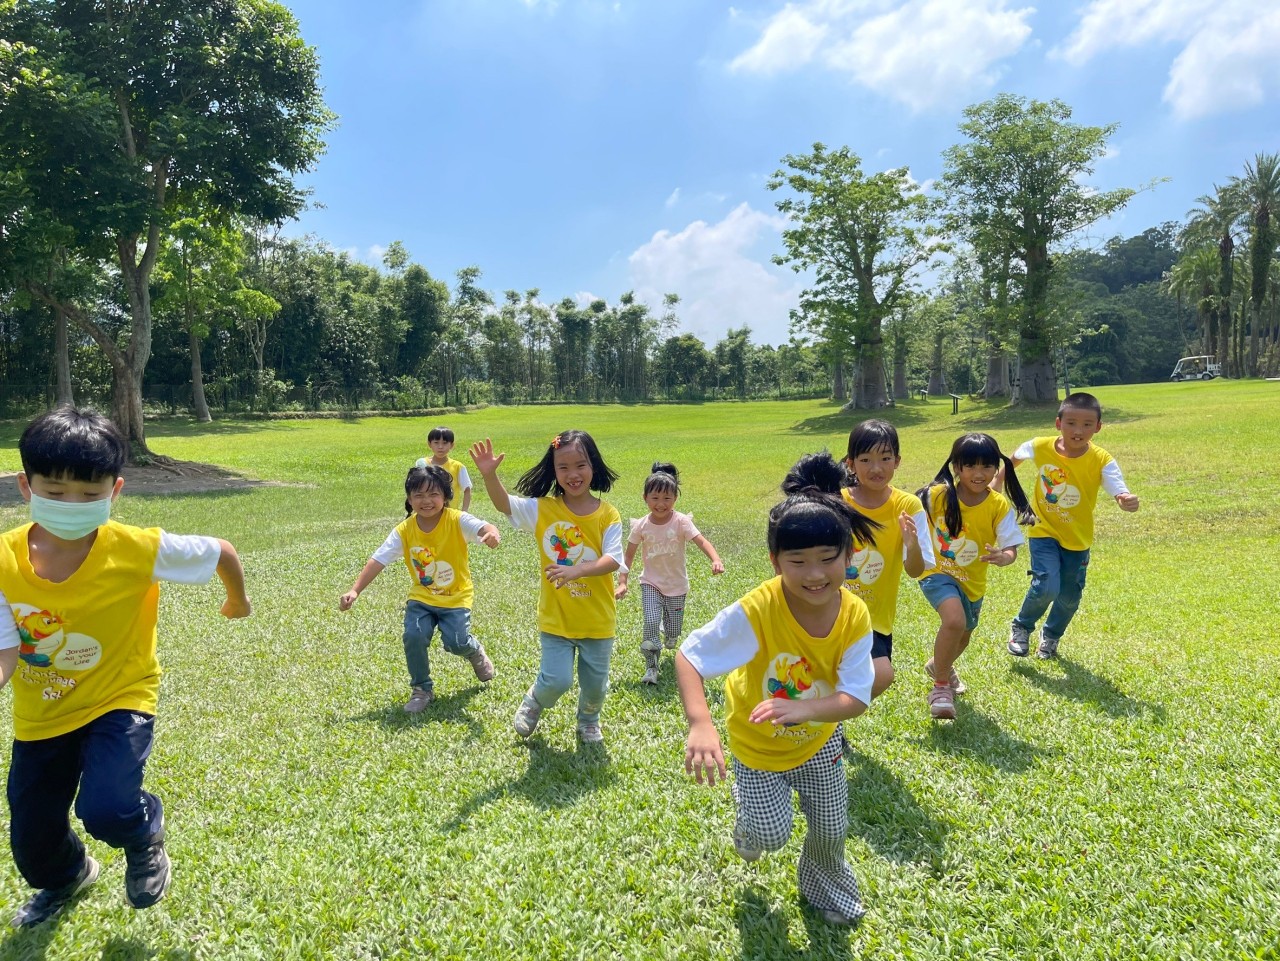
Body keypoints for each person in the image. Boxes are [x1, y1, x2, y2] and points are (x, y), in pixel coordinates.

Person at [0, 407, 251, 928]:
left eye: (90, 495)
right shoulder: (3, 559)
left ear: (115, 492)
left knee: (108, 808)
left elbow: (222, 551)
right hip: (42, 712)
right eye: (56, 490)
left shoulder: (137, 548)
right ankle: (69, 876)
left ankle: (144, 834)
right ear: (26, 486)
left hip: (121, 696)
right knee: (32, 837)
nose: (73, 504)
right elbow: (5, 646)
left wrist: (237, 601)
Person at [677, 452, 878, 927]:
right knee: (770, 836)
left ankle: (828, 891)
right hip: (758, 746)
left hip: (818, 742)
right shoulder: (758, 611)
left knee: (831, 828)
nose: (815, 575)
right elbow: (690, 656)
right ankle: (750, 827)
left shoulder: (854, 615)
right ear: (774, 561)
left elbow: (857, 696)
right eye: (798, 561)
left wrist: (806, 711)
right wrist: (701, 724)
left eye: (828, 560)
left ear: (849, 558)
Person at [469, 431, 623, 743]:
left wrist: (576, 570)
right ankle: (536, 700)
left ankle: (589, 721)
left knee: (595, 686)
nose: (573, 474)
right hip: (557, 620)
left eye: (580, 465)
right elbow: (505, 505)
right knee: (557, 679)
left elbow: (613, 560)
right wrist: (489, 476)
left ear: (593, 465)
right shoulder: (543, 509)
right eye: (562, 467)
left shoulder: (608, 514)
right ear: (553, 471)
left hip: (598, 621)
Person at [339, 465, 500, 712]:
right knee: (414, 636)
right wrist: (355, 590)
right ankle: (421, 689)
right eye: (419, 495)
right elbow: (378, 560)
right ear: (409, 499)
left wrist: (491, 535)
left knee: (456, 642)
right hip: (422, 597)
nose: (426, 501)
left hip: (456, 597)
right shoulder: (404, 530)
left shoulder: (457, 520)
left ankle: (474, 651)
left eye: (433, 494)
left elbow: (486, 527)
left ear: (446, 497)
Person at [1000, 392, 1140, 660]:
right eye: (1071, 423)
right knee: (1046, 585)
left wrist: (1124, 499)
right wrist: (997, 483)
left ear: (1098, 427)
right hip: (1043, 529)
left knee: (1069, 596)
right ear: (1058, 424)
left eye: (1087, 425)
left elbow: (1117, 487)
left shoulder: (1101, 459)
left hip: (1078, 537)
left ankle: (1051, 635)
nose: (1078, 430)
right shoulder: (1040, 446)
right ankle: (1021, 627)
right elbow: (1013, 459)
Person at [915, 433, 1033, 721]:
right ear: (957, 467)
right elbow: (905, 512)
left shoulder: (998, 505)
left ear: (997, 468)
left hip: (973, 582)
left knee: (964, 635)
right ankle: (941, 686)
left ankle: (940, 665)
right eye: (971, 467)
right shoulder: (938, 495)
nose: (979, 474)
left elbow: (1010, 549)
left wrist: (1003, 557)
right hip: (936, 572)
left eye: (987, 467)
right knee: (954, 621)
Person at [841, 420, 934, 700]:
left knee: (882, 675)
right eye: (866, 459)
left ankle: (828, 720)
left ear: (897, 462)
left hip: (873, 619)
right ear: (850, 464)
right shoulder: (837, 501)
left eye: (885, 458)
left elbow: (916, 570)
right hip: (828, 612)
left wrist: (912, 543)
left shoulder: (908, 506)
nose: (876, 468)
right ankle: (822, 726)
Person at [615, 463, 724, 685]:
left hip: (677, 585)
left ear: (675, 498)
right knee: (651, 621)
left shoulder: (682, 521)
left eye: (667, 498)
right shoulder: (641, 526)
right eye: (655, 498)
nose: (661, 504)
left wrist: (715, 559)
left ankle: (670, 634)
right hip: (650, 583)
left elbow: (701, 541)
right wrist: (623, 582)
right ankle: (651, 667)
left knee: (673, 633)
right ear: (645, 498)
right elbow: (628, 557)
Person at [415, 426, 473, 512]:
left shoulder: (458, 467)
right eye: (436, 442)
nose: (440, 447)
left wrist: (464, 512)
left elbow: (467, 490)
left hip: (450, 514)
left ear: (452, 445)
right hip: (428, 513)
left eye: (445, 443)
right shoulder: (422, 464)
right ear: (429, 444)